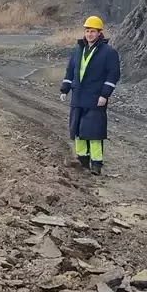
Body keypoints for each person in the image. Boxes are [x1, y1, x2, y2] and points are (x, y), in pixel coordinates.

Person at [60, 15, 120, 175]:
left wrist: (104, 95)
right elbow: (70, 70)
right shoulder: (78, 50)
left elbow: (113, 75)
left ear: (100, 33)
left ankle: (96, 165)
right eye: (87, 31)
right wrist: (65, 89)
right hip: (78, 98)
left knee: (94, 133)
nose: (89, 34)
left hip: (95, 99)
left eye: (93, 31)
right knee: (78, 131)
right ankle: (82, 161)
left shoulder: (109, 53)